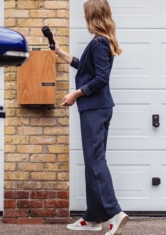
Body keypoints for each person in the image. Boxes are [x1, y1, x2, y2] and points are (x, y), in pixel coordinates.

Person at [52, 0, 128, 234]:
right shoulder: (100, 42)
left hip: (95, 109)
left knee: (95, 162)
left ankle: (114, 213)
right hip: (97, 108)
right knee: (93, 162)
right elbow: (85, 68)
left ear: (91, 16)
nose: (84, 18)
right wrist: (59, 52)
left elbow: (101, 78)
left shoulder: (99, 43)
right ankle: (93, 218)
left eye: (85, 14)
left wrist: (76, 93)